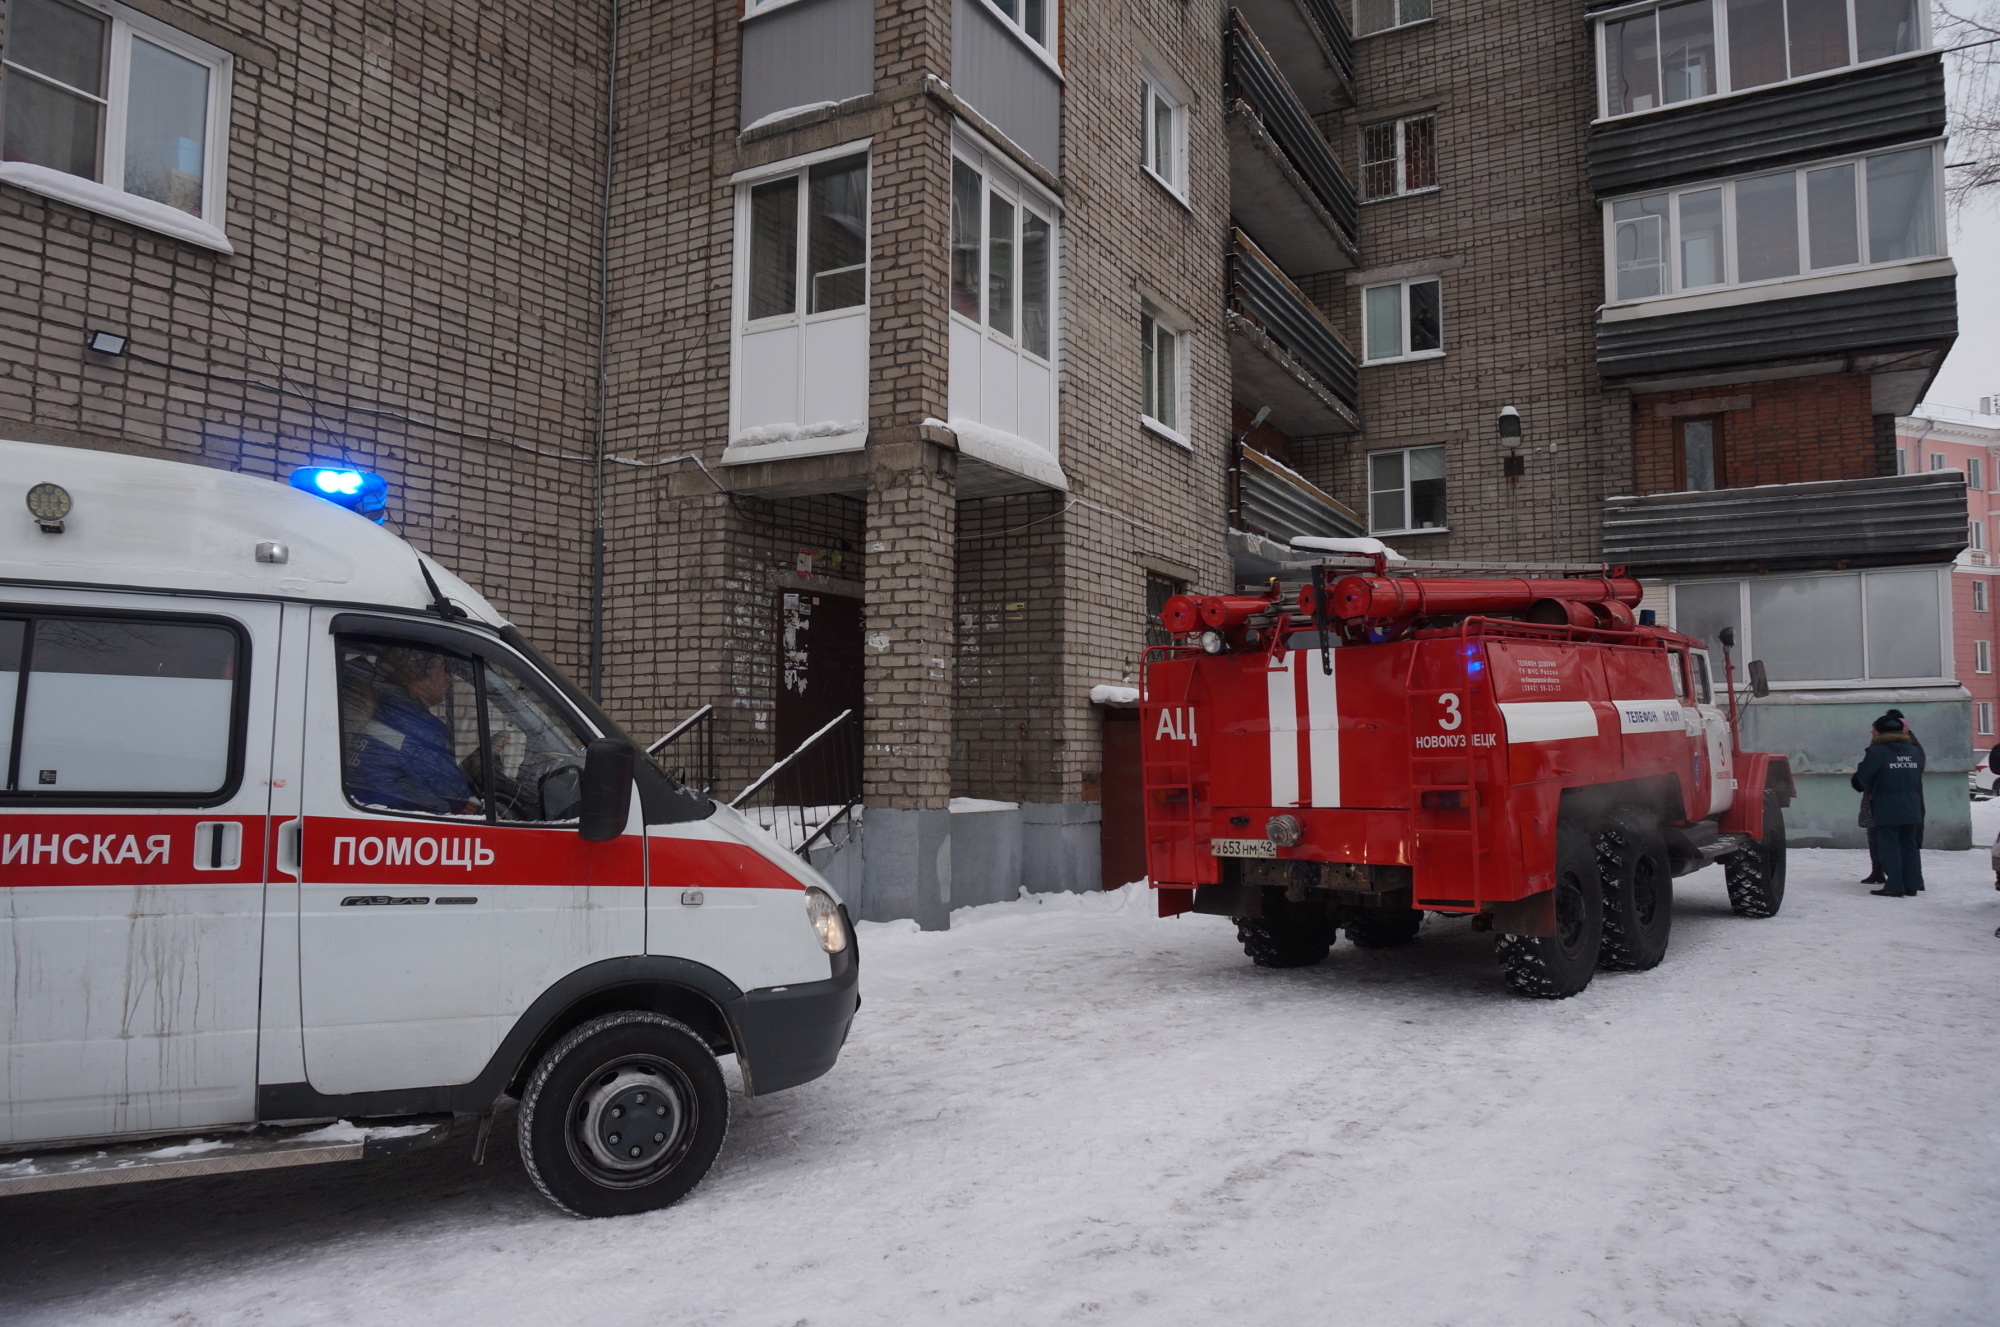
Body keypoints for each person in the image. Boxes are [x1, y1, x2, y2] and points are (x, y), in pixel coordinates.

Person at [343, 646, 479, 816]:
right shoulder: (422, 729)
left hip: (369, 814)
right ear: (417, 678)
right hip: (392, 822)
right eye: (443, 671)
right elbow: (454, 791)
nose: (449, 678)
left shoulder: (384, 711)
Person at [1851, 715, 1925, 897]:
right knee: (1909, 845)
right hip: (1912, 804)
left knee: (1889, 845)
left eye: (1873, 729)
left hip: (1887, 806)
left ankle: (1894, 885)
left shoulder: (1877, 752)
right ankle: (1911, 885)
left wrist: (1860, 781)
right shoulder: (1913, 751)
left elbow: (1863, 778)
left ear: (1880, 732)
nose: (1871, 731)